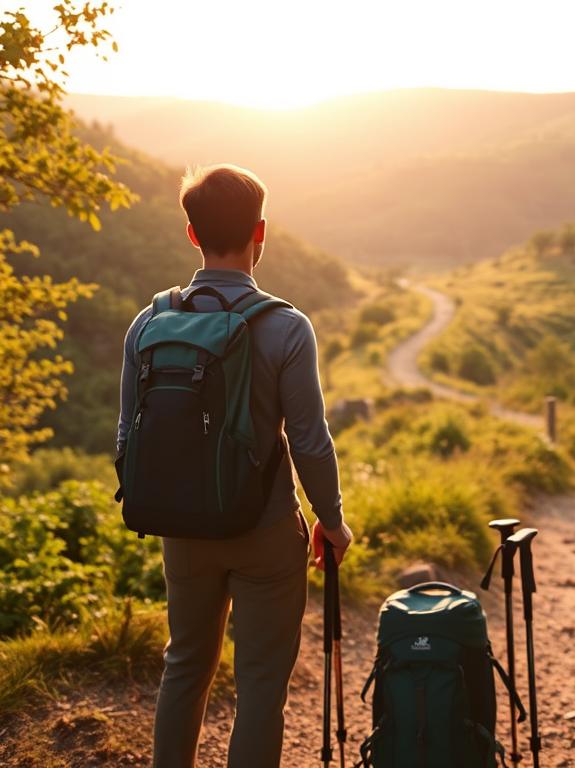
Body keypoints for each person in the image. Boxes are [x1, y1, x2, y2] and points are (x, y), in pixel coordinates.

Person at [116, 164, 353, 768]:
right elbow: (309, 441)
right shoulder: (286, 326)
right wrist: (332, 519)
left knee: (185, 666)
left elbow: (126, 435)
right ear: (261, 232)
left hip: (182, 530)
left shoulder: (148, 323)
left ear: (191, 234)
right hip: (266, 530)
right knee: (259, 690)